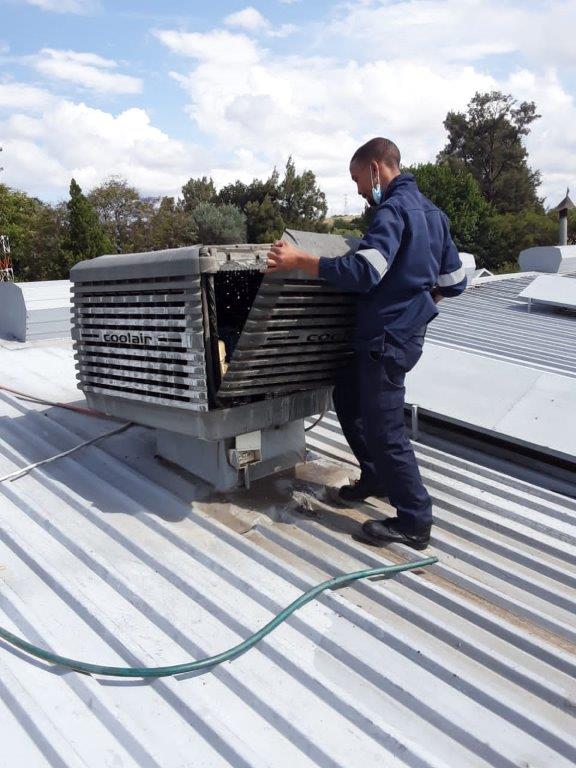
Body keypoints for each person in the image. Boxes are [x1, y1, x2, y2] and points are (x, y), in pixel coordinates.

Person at [266, 137, 467, 550]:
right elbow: (455, 281)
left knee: (385, 428)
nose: (359, 189)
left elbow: (363, 272)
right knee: (348, 395)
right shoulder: (434, 214)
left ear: (376, 168)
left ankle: (415, 521)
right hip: (400, 334)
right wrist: (419, 301)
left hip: (386, 338)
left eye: (357, 178)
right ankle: (375, 476)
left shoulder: (392, 210)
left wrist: (300, 260)